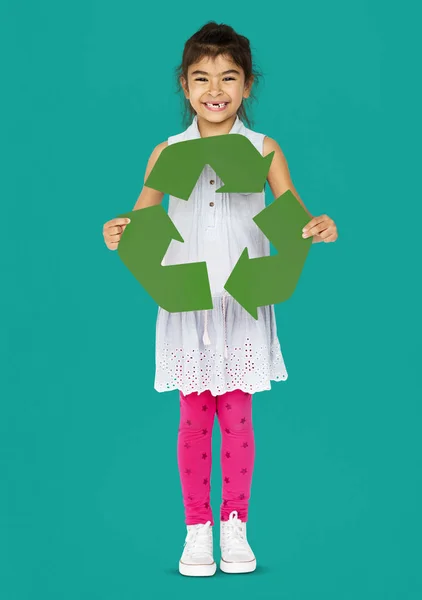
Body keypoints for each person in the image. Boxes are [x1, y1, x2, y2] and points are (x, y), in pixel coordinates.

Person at [102, 21, 338, 577]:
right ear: (184, 85)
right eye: (202, 77)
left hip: (244, 303)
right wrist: (118, 231)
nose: (216, 89)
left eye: (229, 77)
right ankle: (196, 531)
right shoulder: (167, 152)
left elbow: (293, 217)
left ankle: (235, 524)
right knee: (192, 419)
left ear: (248, 85)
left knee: (236, 419)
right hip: (187, 304)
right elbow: (142, 219)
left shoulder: (263, 148)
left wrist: (318, 226)